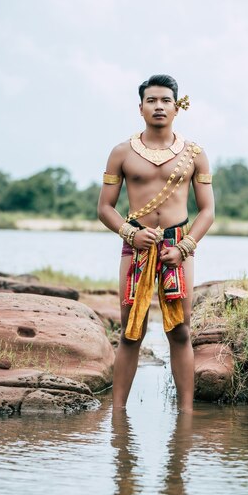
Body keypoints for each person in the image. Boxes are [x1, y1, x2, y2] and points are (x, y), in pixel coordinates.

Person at [98, 74, 214, 412]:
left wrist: (185, 247)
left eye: (165, 100)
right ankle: (118, 416)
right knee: (131, 330)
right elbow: (105, 208)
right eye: (152, 101)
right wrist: (130, 233)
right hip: (135, 245)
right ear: (141, 108)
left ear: (177, 107)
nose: (159, 106)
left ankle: (186, 414)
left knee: (180, 330)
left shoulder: (194, 154)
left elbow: (207, 210)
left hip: (178, 248)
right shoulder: (122, 153)